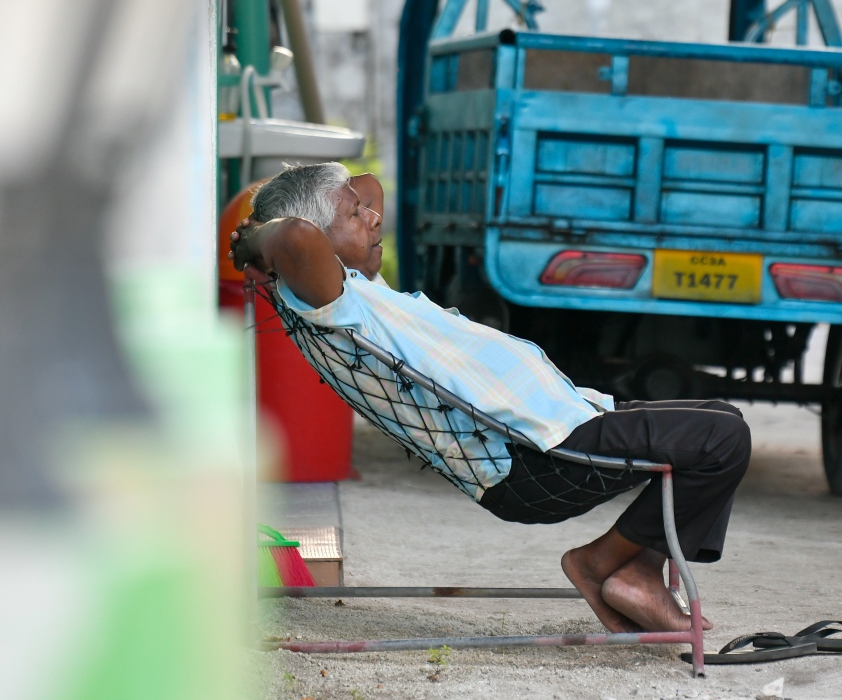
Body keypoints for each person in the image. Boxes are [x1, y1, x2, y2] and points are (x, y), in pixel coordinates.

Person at [230, 162, 750, 633]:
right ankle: (606, 566)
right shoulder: (336, 303)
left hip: (556, 423)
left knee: (716, 416)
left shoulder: (358, 285)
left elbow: (366, 186)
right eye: (353, 214)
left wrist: (329, 209)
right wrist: (254, 241)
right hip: (534, 456)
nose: (371, 216)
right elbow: (297, 232)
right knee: (723, 438)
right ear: (315, 242)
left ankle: (639, 568)